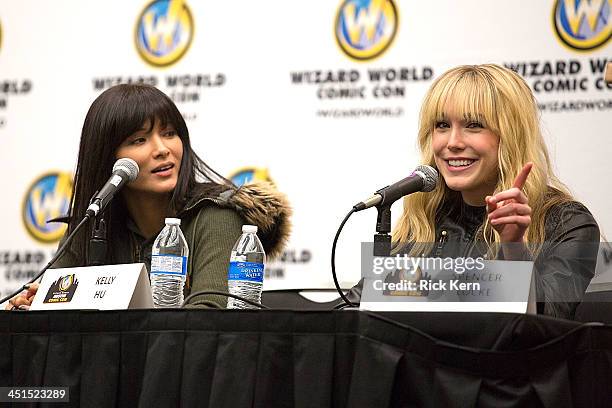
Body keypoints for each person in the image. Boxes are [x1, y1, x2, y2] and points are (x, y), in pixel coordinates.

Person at [7, 84, 291, 310]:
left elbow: (208, 318)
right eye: (139, 140)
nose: (162, 149)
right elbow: (54, 304)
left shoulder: (216, 216)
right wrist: (35, 305)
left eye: (169, 133)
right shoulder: (90, 225)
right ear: (107, 157)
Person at [353, 64, 600, 319]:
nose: (453, 143)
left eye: (473, 125)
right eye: (442, 125)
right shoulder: (423, 219)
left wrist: (514, 249)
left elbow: (544, 327)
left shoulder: (568, 222)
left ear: (510, 136)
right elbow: (352, 310)